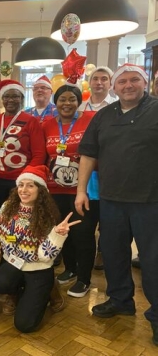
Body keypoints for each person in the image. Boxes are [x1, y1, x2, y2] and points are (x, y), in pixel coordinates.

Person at [75, 64, 158, 346]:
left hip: (150, 200)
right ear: (114, 86)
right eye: (122, 81)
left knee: (153, 260)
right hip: (111, 199)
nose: (128, 85)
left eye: (135, 80)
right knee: (112, 254)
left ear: (144, 83)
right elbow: (87, 154)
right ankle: (121, 299)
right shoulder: (103, 116)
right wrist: (81, 190)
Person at [0, 165, 80, 333]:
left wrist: (58, 236)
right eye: (21, 185)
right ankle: (16, 292)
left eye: (30, 185)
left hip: (38, 268)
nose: (24, 190)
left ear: (40, 190)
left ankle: (50, 288)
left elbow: (45, 256)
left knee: (25, 325)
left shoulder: (47, 214)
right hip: (13, 264)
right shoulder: (7, 207)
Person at [42, 85, 97, 297]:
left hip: (83, 189)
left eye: (72, 99)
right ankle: (70, 268)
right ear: (55, 103)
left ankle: (84, 278)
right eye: (62, 99)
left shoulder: (90, 120)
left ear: (78, 101)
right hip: (55, 190)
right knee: (62, 231)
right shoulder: (47, 125)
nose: (67, 103)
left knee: (83, 234)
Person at [0, 79, 46, 216]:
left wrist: (27, 178)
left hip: (20, 180)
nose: (10, 100)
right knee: (0, 215)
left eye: (15, 96)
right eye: (7, 96)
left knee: (21, 216)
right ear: (2, 99)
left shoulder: (31, 121)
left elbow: (39, 154)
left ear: (22, 98)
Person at [77, 66, 116, 271]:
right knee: (88, 210)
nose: (99, 83)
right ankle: (86, 252)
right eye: (95, 79)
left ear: (110, 83)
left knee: (108, 213)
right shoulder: (80, 107)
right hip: (86, 166)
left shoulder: (117, 106)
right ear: (89, 83)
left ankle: (103, 251)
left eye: (104, 79)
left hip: (110, 167)